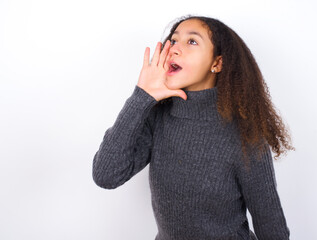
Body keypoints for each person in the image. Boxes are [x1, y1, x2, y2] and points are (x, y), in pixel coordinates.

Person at [92, 14, 295, 240]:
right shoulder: (157, 116)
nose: (174, 49)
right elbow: (105, 176)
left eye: (192, 41)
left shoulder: (245, 135)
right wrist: (142, 97)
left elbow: (271, 226)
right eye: (174, 40)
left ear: (217, 63)